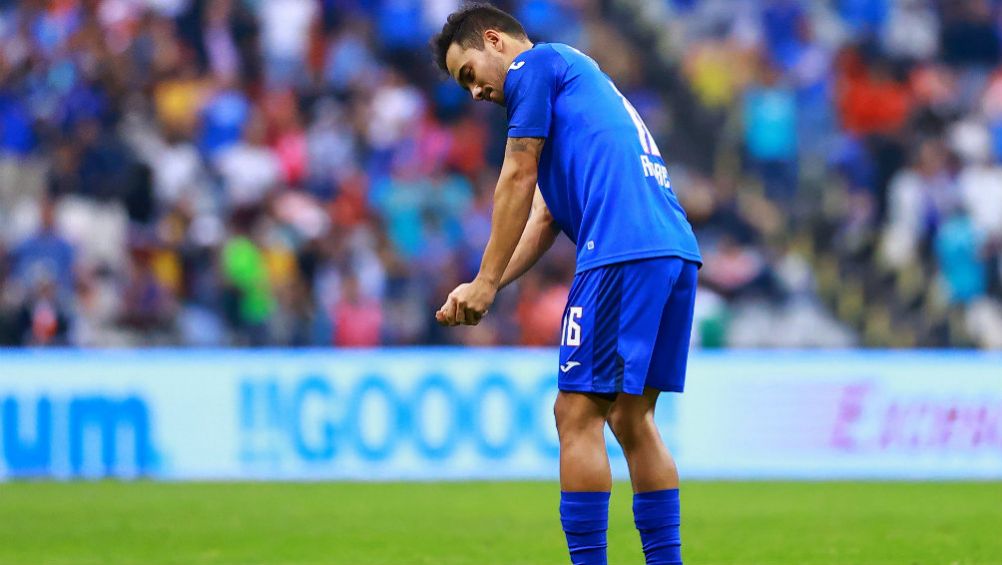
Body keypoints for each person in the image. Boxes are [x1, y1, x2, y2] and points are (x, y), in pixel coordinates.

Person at [430, 4, 701, 565]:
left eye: (469, 74)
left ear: (495, 40)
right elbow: (546, 218)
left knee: (575, 416)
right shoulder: (577, 85)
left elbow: (516, 175)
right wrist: (487, 285)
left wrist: (482, 281)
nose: (474, 93)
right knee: (631, 417)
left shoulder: (535, 67)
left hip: (621, 253)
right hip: (672, 250)